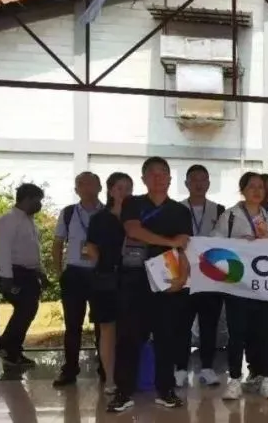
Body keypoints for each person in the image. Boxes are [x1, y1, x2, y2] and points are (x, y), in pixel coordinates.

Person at [107, 157, 192, 413]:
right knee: (129, 336)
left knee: (167, 336)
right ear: (144, 179)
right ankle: (123, 392)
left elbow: (185, 246)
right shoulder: (133, 203)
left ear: (170, 178)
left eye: (163, 173)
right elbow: (134, 231)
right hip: (134, 279)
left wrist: (183, 277)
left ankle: (165, 390)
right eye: (153, 173)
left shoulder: (180, 211)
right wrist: (169, 242)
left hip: (167, 279)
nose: (159, 178)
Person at [216, 172, 268, 401]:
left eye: (261, 187)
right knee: (237, 333)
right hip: (237, 284)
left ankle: (265, 378)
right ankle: (235, 378)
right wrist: (237, 243)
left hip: (263, 285)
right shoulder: (230, 216)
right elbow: (213, 243)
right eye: (252, 186)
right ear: (242, 190)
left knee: (265, 332)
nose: (257, 191)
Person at [84, 172, 134, 396]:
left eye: (128, 188)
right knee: (107, 329)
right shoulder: (99, 218)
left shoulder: (136, 217)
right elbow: (91, 246)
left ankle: (129, 376)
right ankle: (110, 378)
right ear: (111, 190)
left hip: (132, 278)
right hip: (105, 279)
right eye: (120, 188)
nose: (124, 192)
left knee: (130, 329)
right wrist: (102, 265)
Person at [176, 165, 226, 388]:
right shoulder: (175, 209)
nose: (199, 183)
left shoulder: (220, 211)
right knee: (181, 324)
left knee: (209, 324)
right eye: (194, 179)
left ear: (208, 183)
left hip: (210, 277)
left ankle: (207, 367)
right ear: (186, 183)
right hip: (183, 276)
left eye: (203, 179)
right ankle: (180, 368)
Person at [52, 172, 103, 387]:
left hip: (100, 273)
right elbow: (57, 243)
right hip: (74, 274)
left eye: (92, 183)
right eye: (82, 184)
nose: (88, 188)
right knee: (73, 325)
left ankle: (105, 367)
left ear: (100, 187)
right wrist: (59, 272)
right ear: (76, 190)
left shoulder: (107, 213)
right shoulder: (68, 213)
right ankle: (70, 369)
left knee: (102, 324)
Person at [0, 183, 46, 368]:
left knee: (28, 309)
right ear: (27, 199)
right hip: (13, 273)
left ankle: (14, 350)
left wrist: (41, 272)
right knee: (25, 308)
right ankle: (6, 346)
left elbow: (32, 251)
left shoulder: (30, 222)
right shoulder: (8, 220)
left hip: (28, 274)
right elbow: (4, 250)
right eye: (37, 201)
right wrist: (6, 278)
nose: (39, 205)